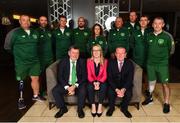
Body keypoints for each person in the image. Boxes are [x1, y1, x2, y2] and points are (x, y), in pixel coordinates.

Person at [9, 15, 45, 109]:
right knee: (21, 80)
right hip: (21, 62)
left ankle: (36, 96)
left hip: (34, 61)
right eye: (24, 20)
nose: (26, 22)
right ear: (20, 22)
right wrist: (20, 55)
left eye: (28, 20)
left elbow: (38, 45)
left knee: (35, 78)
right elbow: (8, 47)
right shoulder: (15, 33)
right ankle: (20, 99)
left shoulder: (35, 32)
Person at [142, 17, 175, 114]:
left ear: (163, 25)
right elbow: (147, 49)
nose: (157, 25)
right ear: (152, 24)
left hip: (162, 64)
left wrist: (163, 59)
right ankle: (150, 98)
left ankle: (166, 103)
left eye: (159, 23)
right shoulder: (149, 36)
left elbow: (171, 50)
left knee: (165, 84)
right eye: (155, 23)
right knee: (151, 82)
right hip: (150, 63)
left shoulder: (167, 36)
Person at [52, 46, 87, 118]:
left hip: (78, 83)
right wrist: (68, 87)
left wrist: (74, 86)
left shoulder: (82, 61)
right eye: (73, 53)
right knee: (55, 90)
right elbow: (60, 76)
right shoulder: (63, 61)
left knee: (83, 90)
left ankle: (80, 109)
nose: (75, 55)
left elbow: (84, 76)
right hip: (67, 83)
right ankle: (63, 108)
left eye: (77, 53)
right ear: (69, 53)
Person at [106, 47, 134, 118]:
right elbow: (109, 78)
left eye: (122, 53)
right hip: (114, 85)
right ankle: (111, 108)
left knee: (129, 94)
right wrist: (116, 89)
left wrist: (123, 89)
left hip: (125, 85)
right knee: (110, 92)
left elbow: (130, 79)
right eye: (118, 53)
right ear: (115, 54)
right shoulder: (110, 63)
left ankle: (124, 109)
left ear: (125, 54)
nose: (120, 55)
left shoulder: (130, 64)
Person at [87, 44, 108, 117]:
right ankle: (93, 105)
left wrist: (98, 83)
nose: (96, 52)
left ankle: (100, 105)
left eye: (98, 50)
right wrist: (94, 83)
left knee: (104, 86)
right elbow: (89, 75)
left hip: (101, 80)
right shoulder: (89, 61)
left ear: (100, 52)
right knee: (89, 86)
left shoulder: (105, 61)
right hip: (92, 80)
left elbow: (105, 75)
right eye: (94, 50)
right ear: (92, 52)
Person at [36, 16, 54, 96]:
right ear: (39, 21)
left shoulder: (49, 31)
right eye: (42, 20)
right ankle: (41, 92)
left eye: (45, 20)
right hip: (41, 59)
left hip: (50, 58)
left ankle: (49, 90)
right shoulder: (36, 32)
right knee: (41, 76)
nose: (43, 22)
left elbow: (53, 44)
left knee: (50, 76)